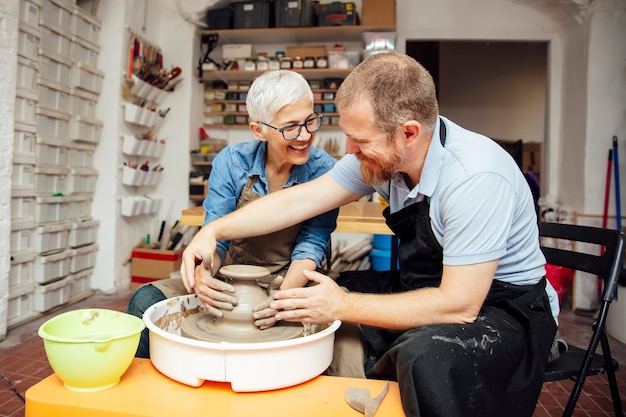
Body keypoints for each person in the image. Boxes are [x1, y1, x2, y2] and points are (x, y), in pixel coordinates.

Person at [180, 52, 560, 417]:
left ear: (408, 133)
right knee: (320, 294)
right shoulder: (384, 158)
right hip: (429, 284)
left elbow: (459, 306)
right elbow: (300, 201)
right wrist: (214, 230)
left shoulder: (474, 178)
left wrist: (342, 306)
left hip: (504, 308)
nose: (349, 150)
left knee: (422, 356)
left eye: (359, 141)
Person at [127, 70, 338, 358]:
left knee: (345, 341)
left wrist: (279, 302)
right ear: (258, 130)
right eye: (291, 127)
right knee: (145, 301)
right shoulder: (232, 162)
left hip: (291, 281)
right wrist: (204, 277)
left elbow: (312, 245)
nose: (305, 136)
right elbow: (215, 238)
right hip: (229, 279)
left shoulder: (324, 170)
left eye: (310, 121)